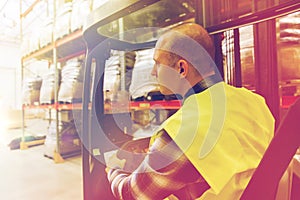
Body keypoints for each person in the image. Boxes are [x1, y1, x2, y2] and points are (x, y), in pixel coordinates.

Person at [106, 23, 275, 199]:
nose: (153, 72)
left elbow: (133, 194)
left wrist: (114, 168)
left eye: (157, 63)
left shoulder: (181, 131)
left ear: (181, 68)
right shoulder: (254, 101)